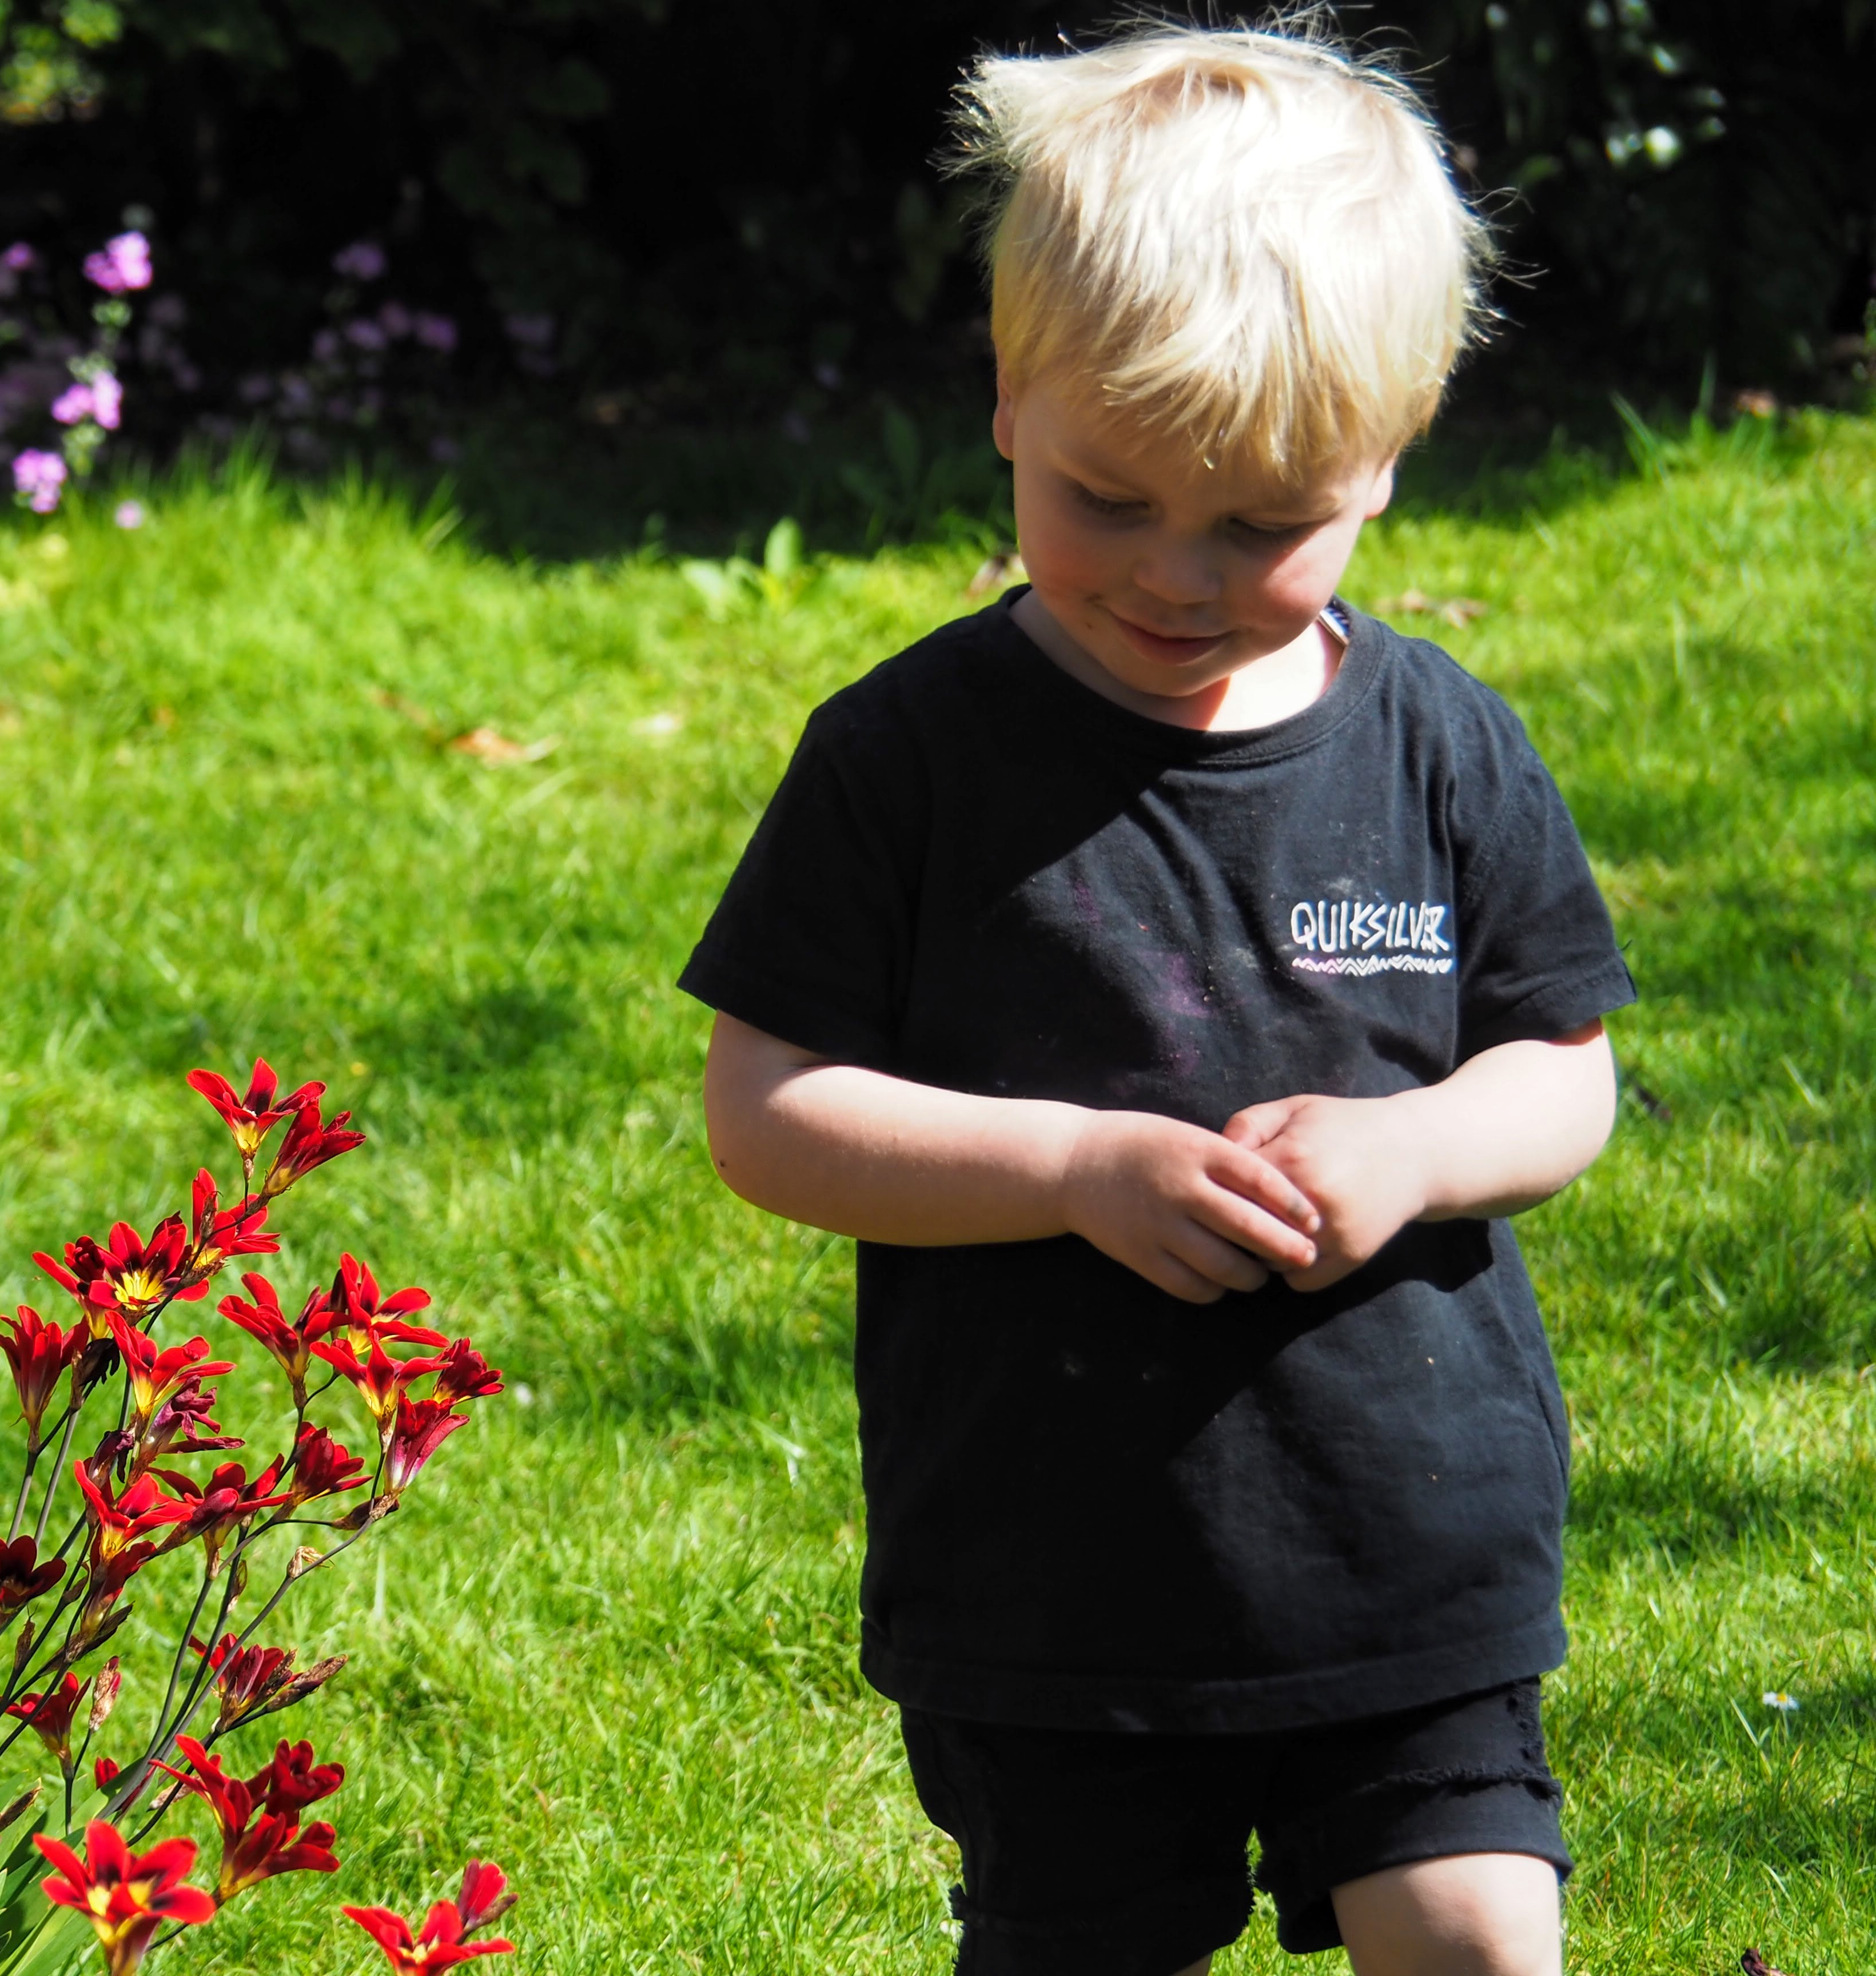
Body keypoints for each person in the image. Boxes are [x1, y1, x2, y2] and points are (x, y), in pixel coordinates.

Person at [680, 22, 1635, 1976]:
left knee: (1475, 1935)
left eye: (1267, 523)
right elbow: (765, 1105)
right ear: (1012, 397)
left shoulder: (1442, 743)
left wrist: (1421, 1144)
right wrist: (1071, 1164)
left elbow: (1567, 1072)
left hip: (1409, 1542)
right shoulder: (911, 761)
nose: (1183, 576)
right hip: (1057, 1578)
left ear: (1391, 453)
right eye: (1116, 499)